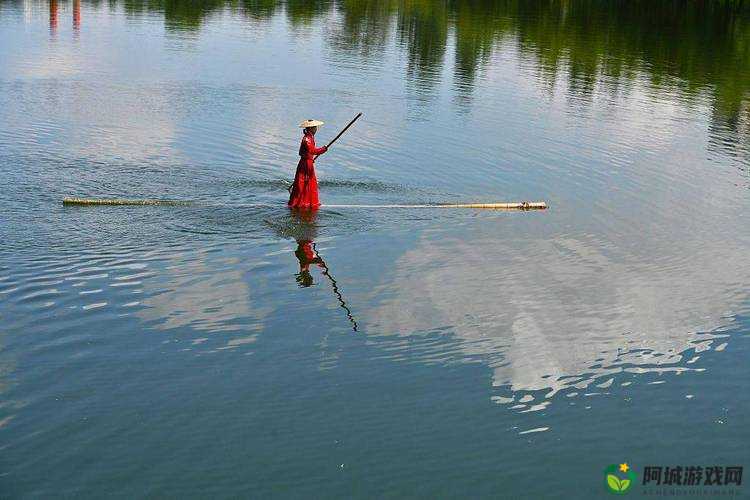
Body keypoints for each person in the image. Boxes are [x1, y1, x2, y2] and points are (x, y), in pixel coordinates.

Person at [288, 119, 328, 208]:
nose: (316, 129)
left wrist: (309, 158)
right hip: (305, 164)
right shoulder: (307, 139)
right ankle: (301, 202)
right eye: (315, 127)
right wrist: (323, 149)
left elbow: (304, 152)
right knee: (303, 182)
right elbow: (312, 150)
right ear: (311, 128)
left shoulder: (309, 138)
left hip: (307, 162)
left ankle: (307, 201)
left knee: (309, 182)